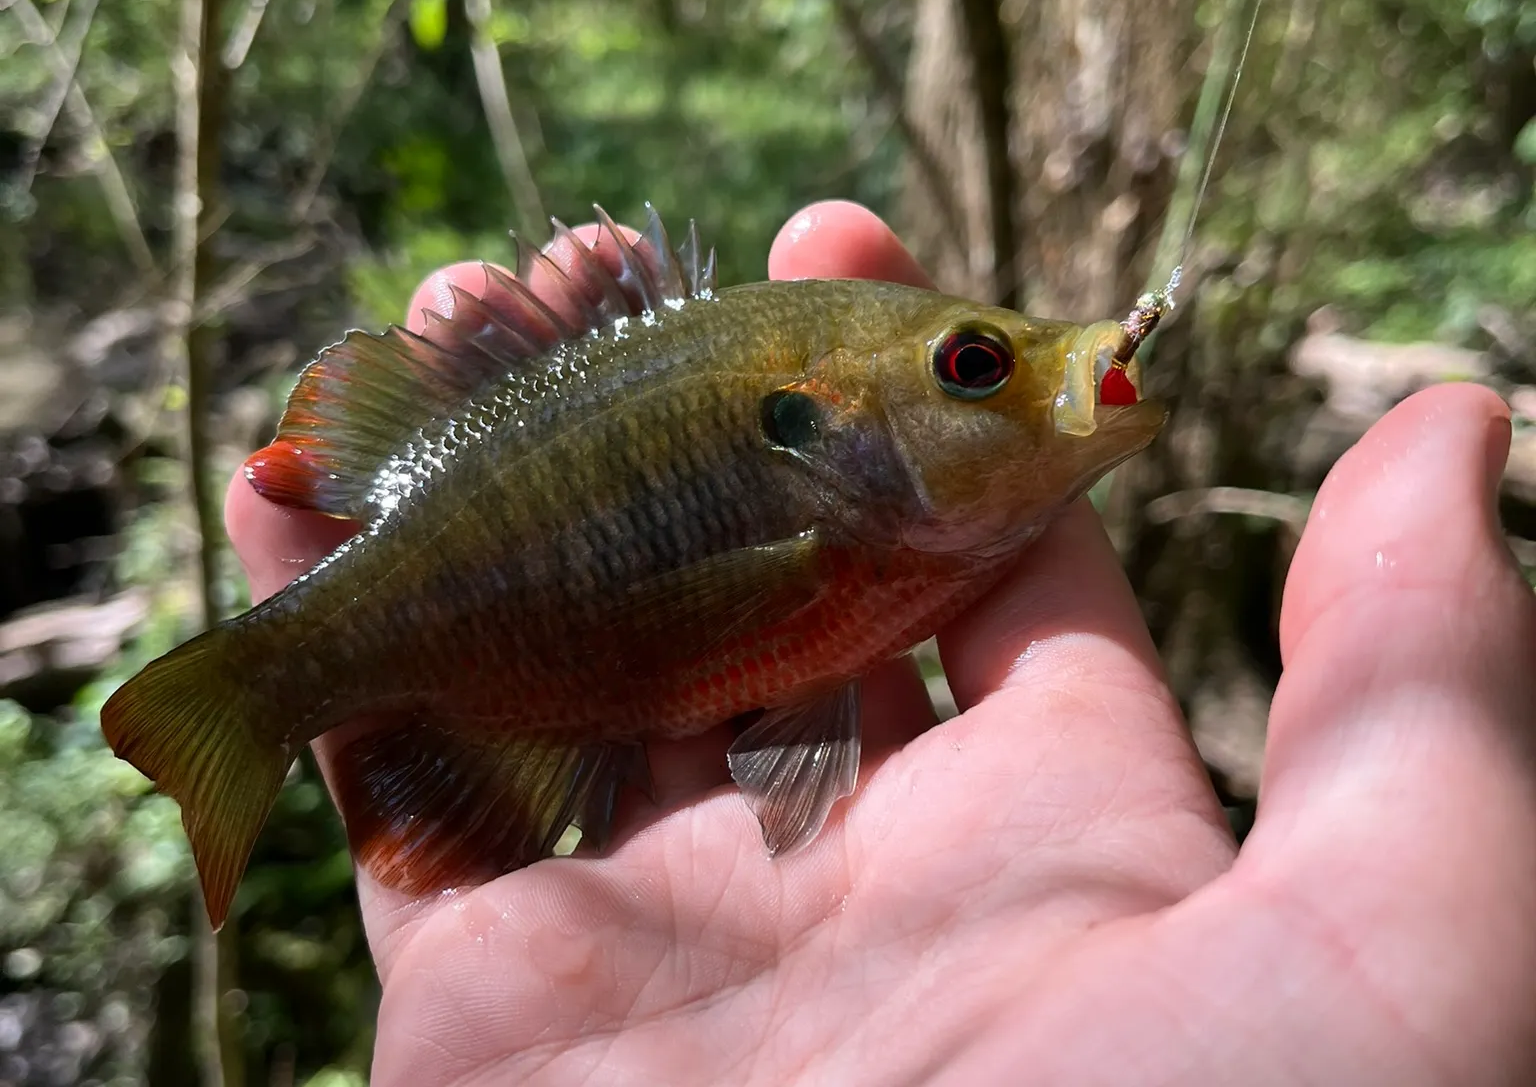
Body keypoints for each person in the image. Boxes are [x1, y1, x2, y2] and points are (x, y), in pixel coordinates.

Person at [224, 201, 1536, 1086]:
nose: (1048, 375)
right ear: (820, 428)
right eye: (977, 369)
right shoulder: (847, 547)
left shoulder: (885, 551)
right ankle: (241, 698)